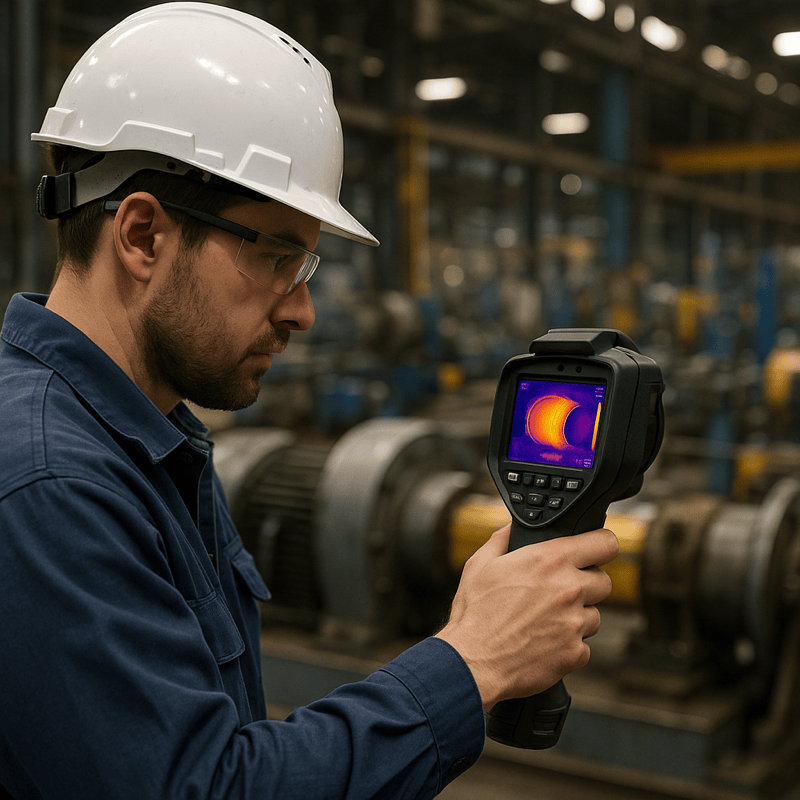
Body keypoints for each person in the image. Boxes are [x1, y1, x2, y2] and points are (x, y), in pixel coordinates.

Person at [0, 4, 619, 799]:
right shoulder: (48, 486)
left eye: (307, 268)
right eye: (277, 256)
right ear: (143, 235)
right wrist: (472, 663)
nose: (302, 311)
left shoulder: (145, 443)